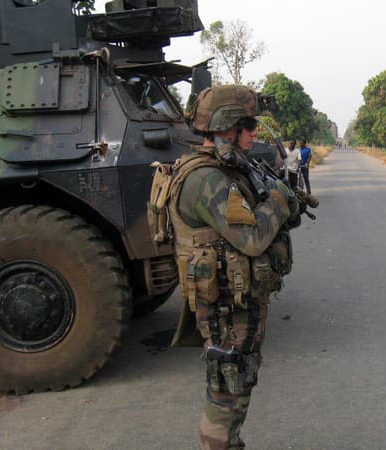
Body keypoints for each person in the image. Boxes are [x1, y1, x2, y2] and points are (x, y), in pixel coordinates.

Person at [167, 84, 298, 449]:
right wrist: (277, 199)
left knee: (237, 387)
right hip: (226, 308)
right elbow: (253, 238)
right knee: (226, 393)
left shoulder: (228, 169)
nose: (255, 131)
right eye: (249, 123)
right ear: (227, 125)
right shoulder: (206, 179)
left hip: (236, 301)